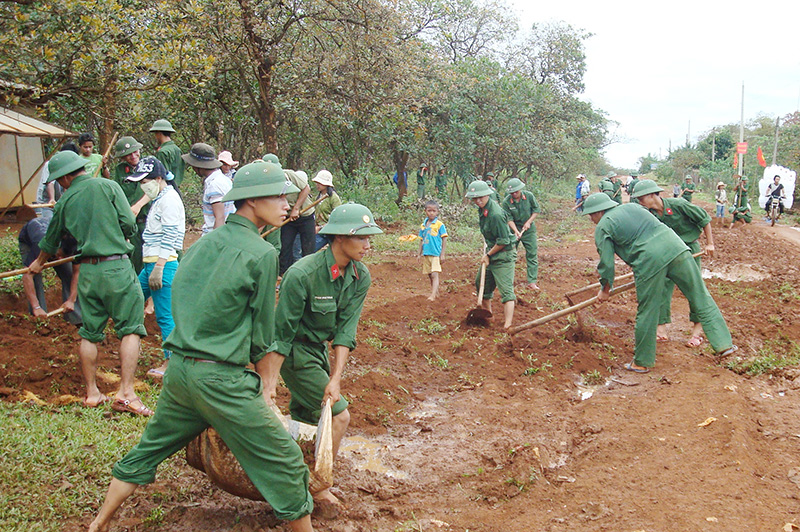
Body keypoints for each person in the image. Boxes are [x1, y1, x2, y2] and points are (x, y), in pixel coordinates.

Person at [87, 161, 317, 532]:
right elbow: (262, 337)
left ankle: (98, 523)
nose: (286, 204)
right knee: (287, 461)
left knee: (148, 450)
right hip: (221, 380)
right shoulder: (262, 254)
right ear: (251, 200)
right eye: (278, 196)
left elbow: (183, 300)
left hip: (179, 374)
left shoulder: (200, 246)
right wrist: (266, 389)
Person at [264, 203, 382, 507]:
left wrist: (335, 377)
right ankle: (319, 487)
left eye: (369, 238)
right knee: (339, 416)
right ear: (339, 237)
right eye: (361, 238)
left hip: (317, 350)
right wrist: (270, 384)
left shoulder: (360, 276)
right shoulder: (302, 274)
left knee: (307, 417)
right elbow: (281, 335)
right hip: (293, 353)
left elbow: (345, 332)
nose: (368, 245)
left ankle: (297, 480)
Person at [28, 150, 150, 413]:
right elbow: (129, 224)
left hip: (87, 272)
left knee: (89, 333)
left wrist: (38, 262)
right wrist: (121, 234)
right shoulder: (108, 186)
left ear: (64, 178)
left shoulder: (64, 202)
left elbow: (50, 240)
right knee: (130, 329)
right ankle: (126, 394)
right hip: (116, 267)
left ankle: (92, 393)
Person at [582, 193, 736, 372]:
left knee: (648, 309)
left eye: (591, 215)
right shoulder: (633, 207)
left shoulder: (603, 226)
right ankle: (724, 345)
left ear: (598, 212)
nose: (592, 219)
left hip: (649, 261)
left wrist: (605, 290)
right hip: (677, 248)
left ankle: (641, 362)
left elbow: (607, 264)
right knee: (700, 295)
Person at [632, 179, 715, 347]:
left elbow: (704, 219)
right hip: (667, 253)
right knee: (662, 286)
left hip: (689, 250)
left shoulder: (679, 205)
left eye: (641, 198)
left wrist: (710, 243)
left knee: (694, 288)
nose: (640, 202)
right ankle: (661, 329)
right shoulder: (649, 214)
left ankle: (697, 333)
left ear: (652, 195)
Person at [125, 157, 185, 379]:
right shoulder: (159, 198)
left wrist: (159, 267)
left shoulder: (169, 200)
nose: (143, 186)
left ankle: (172, 362)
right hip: (151, 263)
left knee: (165, 316)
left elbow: (170, 235)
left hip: (163, 264)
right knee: (133, 297)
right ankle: (129, 342)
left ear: (158, 179)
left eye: (145, 181)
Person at [465, 180, 516, 329]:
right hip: (492, 252)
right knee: (481, 284)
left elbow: (504, 241)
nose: (478, 201)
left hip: (503, 256)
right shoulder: (483, 210)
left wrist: (488, 255)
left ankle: (508, 326)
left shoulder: (496, 214)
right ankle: (489, 317)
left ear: (487, 195)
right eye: (475, 198)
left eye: (480, 197)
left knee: (506, 291)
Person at [18, 209, 82, 325]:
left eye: (64, 257)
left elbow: (76, 273)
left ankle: (76, 318)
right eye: (58, 255)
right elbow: (28, 275)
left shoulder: (75, 243)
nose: (59, 260)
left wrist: (71, 300)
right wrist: (36, 306)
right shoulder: (41, 244)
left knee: (69, 274)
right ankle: (39, 318)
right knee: (35, 277)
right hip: (29, 240)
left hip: (52, 235)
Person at [111, 136, 151, 273]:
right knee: (135, 259)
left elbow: (154, 189)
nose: (133, 156)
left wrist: (138, 206)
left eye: (135, 152)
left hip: (148, 220)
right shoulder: (120, 170)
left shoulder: (149, 165)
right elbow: (118, 194)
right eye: (128, 155)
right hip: (131, 223)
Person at [183, 143, 234, 235]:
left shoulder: (214, 185)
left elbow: (220, 218)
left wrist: (214, 241)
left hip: (214, 234)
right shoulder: (224, 180)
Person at [502, 177, 540, 290]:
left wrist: (529, 222)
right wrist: (516, 231)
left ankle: (532, 282)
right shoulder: (506, 202)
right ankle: (507, 281)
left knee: (532, 254)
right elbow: (508, 219)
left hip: (529, 230)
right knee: (510, 254)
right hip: (514, 229)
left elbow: (536, 210)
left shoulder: (529, 196)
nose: (514, 194)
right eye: (512, 192)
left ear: (520, 189)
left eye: (516, 191)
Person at [418, 200, 448, 300]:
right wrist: (419, 254)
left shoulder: (439, 225)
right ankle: (436, 293)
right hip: (426, 253)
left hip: (435, 253)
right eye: (429, 210)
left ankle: (433, 295)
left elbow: (444, 239)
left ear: (437, 212)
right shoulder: (423, 226)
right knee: (430, 275)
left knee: (435, 274)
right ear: (425, 211)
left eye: (434, 211)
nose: (431, 213)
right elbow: (421, 240)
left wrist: (442, 254)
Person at [150, 119, 185, 189]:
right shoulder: (177, 149)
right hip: (177, 188)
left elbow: (163, 174)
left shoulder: (162, 152)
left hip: (167, 188)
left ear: (159, 133)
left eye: (155, 134)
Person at [312, 170, 342, 251]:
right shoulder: (318, 197)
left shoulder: (334, 198)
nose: (317, 185)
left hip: (329, 231)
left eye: (320, 183)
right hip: (319, 231)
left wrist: (321, 227)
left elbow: (338, 217)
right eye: (317, 183)